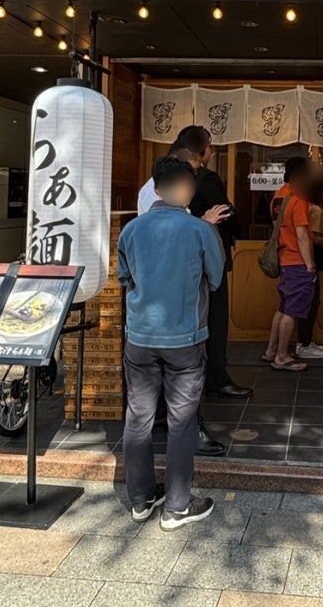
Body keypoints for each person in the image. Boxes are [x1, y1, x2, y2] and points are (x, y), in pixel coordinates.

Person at [117, 156, 224, 530]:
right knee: (181, 421)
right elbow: (215, 278)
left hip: (139, 338)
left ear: (157, 189)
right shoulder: (200, 230)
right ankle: (177, 506)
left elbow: (124, 276)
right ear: (189, 191)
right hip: (185, 338)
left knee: (138, 417)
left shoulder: (131, 230)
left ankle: (141, 499)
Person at [172, 126, 252, 401]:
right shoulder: (205, 178)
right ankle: (217, 379)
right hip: (209, 259)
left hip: (184, 264)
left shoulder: (166, 179)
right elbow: (226, 213)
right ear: (204, 150)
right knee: (215, 320)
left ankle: (196, 378)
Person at [262, 156, 315, 371]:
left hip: (284, 259)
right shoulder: (298, 199)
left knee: (283, 308)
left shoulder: (278, 196)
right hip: (296, 260)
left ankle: (272, 350)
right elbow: (302, 235)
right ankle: (282, 357)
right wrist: (310, 266)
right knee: (291, 311)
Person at [296, 167, 323, 360]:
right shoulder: (312, 209)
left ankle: (305, 341)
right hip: (307, 260)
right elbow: (310, 237)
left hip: (302, 259)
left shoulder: (305, 204)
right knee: (311, 301)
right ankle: (304, 343)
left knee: (309, 301)